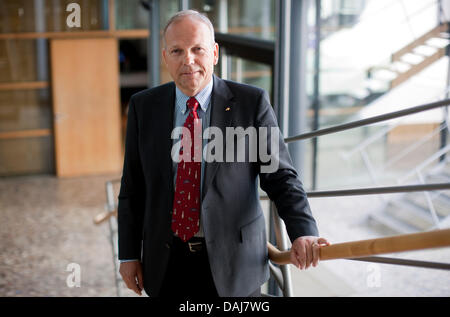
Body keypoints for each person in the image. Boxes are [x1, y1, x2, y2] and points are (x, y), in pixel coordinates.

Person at [118, 10, 329, 297]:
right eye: (177, 51)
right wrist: (128, 254)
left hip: (235, 264)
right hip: (166, 264)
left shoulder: (250, 103)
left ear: (214, 53)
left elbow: (280, 176)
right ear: (165, 57)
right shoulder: (144, 107)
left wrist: (302, 230)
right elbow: (133, 188)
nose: (188, 59)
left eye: (197, 49)